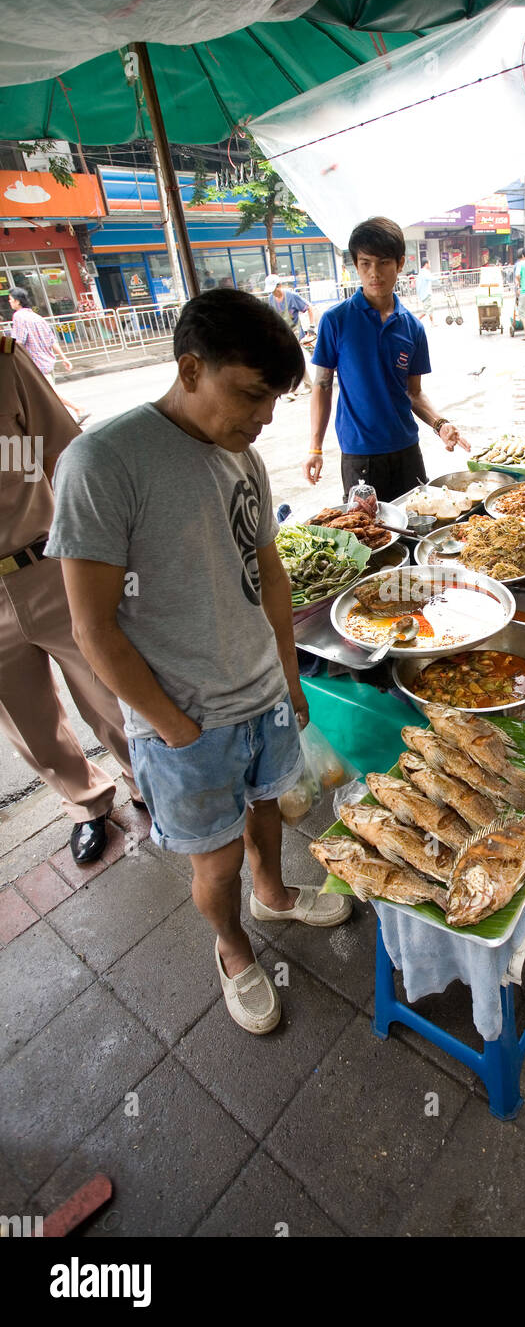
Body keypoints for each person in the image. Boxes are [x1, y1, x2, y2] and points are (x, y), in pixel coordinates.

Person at [46, 290, 351, 1037]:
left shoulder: (240, 454)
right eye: (251, 395)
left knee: (272, 814)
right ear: (190, 368)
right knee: (212, 865)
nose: (264, 419)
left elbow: (269, 572)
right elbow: (91, 628)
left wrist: (288, 673)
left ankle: (274, 893)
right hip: (183, 720)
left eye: (276, 400)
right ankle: (233, 948)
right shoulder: (102, 462)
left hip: (264, 695)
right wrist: (174, 728)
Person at [0, 337, 145, 864]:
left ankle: (144, 779)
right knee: (27, 721)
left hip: (48, 564)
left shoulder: (4, 361)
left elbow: (63, 452)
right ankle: (86, 804)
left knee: (110, 689)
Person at [305, 216, 468, 502]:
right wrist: (315, 448)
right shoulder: (336, 320)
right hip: (360, 453)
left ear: (400, 263)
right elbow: (322, 386)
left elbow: (414, 392)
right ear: (356, 265)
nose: (374, 273)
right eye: (365, 263)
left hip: (407, 449)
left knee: (417, 524)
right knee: (368, 534)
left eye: (383, 263)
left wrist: (441, 424)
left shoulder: (412, 328)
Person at [8, 287, 87, 422]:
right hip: (47, 361)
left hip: (35, 363)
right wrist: (64, 358)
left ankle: (78, 409)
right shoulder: (37, 317)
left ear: (17, 301)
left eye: (10, 299)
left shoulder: (19, 317)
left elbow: (18, 341)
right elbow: (52, 340)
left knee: (49, 393)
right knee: (43, 396)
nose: (9, 302)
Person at [266, 273, 315, 397]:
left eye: (274, 289)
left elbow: (309, 307)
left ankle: (297, 388)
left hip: (295, 333)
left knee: (295, 359)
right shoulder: (271, 299)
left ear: (279, 286)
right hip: (282, 334)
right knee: (290, 361)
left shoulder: (291, 296)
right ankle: (299, 387)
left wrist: (312, 325)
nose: (273, 292)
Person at [415, 258, 435, 326]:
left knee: (429, 309)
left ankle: (433, 323)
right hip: (426, 294)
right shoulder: (425, 272)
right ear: (426, 264)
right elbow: (431, 278)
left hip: (424, 294)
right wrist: (441, 278)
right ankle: (414, 321)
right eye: (429, 263)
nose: (430, 265)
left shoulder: (422, 272)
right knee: (426, 310)